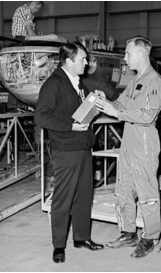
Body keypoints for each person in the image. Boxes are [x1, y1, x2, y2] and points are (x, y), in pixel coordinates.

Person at [94, 36, 161, 259]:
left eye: (128, 53)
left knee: (147, 193)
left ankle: (150, 237)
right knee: (123, 190)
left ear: (142, 53)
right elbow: (120, 105)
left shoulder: (156, 83)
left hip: (144, 144)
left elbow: (147, 115)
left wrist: (116, 112)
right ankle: (128, 232)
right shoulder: (134, 82)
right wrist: (106, 101)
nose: (124, 58)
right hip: (128, 144)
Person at [34, 42, 103, 264]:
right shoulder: (54, 84)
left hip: (83, 148)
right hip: (65, 149)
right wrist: (70, 126)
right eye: (83, 59)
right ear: (69, 60)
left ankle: (82, 238)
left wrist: (94, 101)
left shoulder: (78, 84)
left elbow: (79, 111)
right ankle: (59, 246)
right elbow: (41, 116)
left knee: (84, 196)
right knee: (62, 200)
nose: (87, 62)